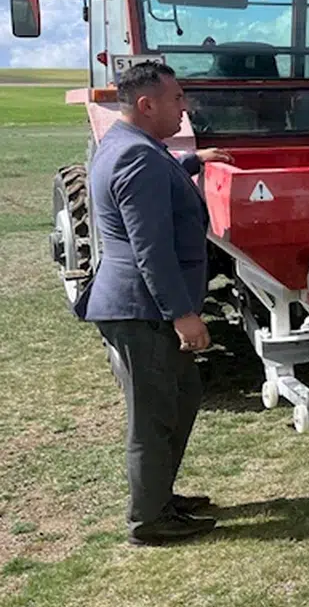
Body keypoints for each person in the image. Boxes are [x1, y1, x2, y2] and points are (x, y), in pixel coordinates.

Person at [77, 62, 232, 546]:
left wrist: (193, 160)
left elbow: (156, 177)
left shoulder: (129, 145)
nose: (185, 107)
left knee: (181, 397)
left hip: (142, 307)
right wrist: (182, 314)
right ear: (147, 105)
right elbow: (152, 249)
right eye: (177, 98)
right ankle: (148, 520)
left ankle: (160, 496)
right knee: (154, 415)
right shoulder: (136, 157)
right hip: (142, 309)